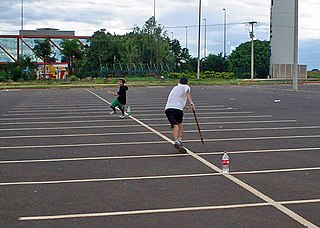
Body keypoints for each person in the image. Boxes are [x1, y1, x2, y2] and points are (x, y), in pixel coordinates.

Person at [165, 77, 195, 153]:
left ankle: (177, 141)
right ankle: (179, 140)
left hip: (168, 109)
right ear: (187, 82)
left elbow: (176, 98)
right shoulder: (186, 87)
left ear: (179, 81)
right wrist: (191, 102)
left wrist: (185, 106)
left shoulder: (175, 88)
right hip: (178, 109)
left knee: (175, 125)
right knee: (180, 125)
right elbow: (187, 93)